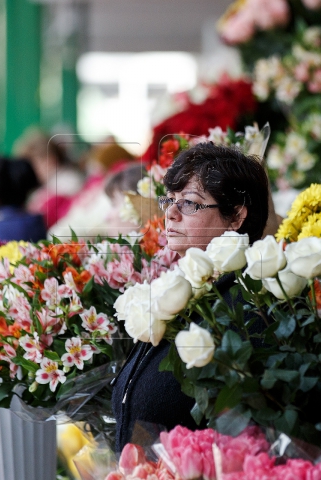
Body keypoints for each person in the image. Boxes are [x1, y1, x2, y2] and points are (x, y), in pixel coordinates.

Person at [111, 143, 271, 452]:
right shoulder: (179, 290)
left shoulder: (246, 307)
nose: (170, 213)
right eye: (169, 200)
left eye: (189, 204)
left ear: (236, 216)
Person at [14, 129, 85, 228]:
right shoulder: (48, 185)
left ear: (50, 160)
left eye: (33, 165)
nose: (30, 171)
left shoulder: (68, 183)